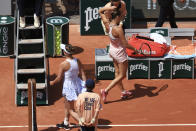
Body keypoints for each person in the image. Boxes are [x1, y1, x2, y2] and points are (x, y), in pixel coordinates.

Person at [99, 9, 140, 103]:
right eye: (121, 17)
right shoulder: (118, 29)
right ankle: (105, 91)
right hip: (120, 53)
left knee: (117, 73)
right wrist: (135, 50)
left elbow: (101, 12)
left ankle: (123, 92)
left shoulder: (108, 24)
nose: (123, 18)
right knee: (122, 75)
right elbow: (125, 44)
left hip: (112, 50)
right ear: (117, 17)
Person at [50, 44, 87, 130]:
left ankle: (83, 124)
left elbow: (59, 78)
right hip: (77, 85)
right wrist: (84, 85)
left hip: (68, 87)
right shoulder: (78, 61)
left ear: (65, 53)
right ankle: (66, 122)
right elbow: (83, 73)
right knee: (67, 105)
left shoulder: (63, 64)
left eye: (63, 50)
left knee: (71, 109)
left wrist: (52, 82)